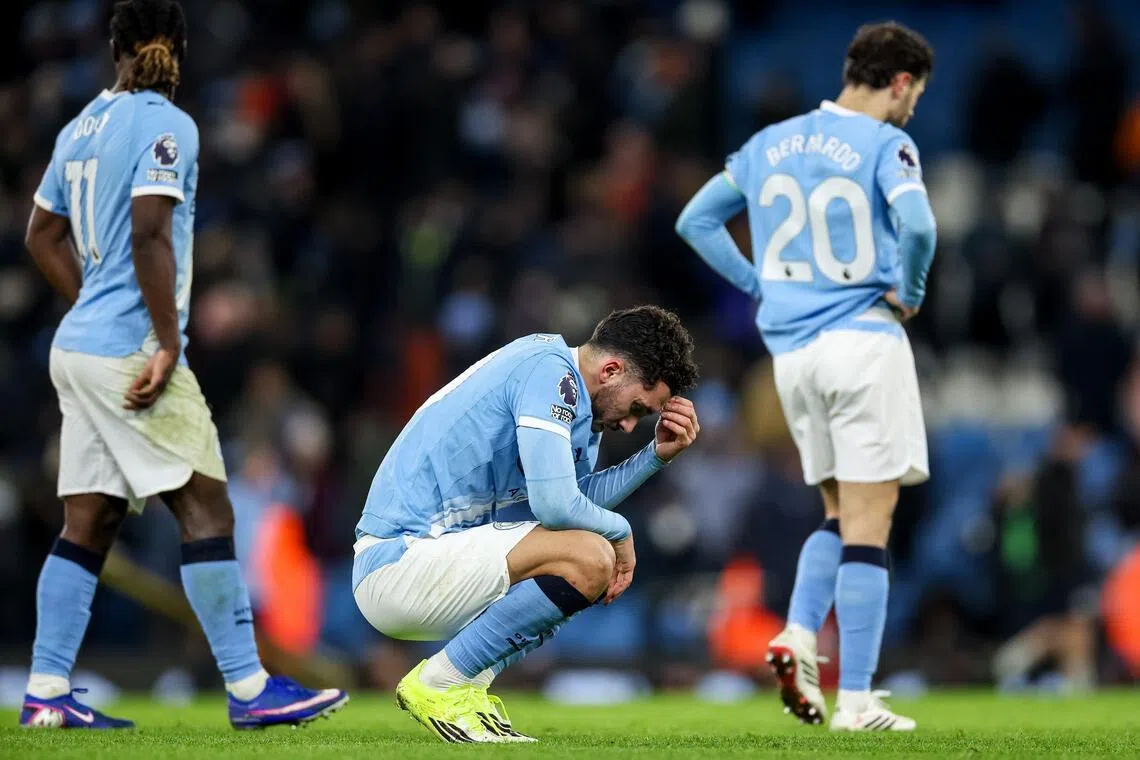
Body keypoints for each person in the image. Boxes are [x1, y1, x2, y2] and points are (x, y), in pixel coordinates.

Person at [20, 0, 347, 730]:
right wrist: (166, 339)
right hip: (131, 350)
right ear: (181, 49)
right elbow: (149, 234)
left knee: (90, 521)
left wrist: (87, 302)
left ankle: (45, 692)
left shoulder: (79, 127)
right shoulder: (170, 125)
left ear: (115, 50)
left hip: (76, 348)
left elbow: (40, 235)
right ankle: (250, 686)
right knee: (206, 507)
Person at [676, 21, 937, 731]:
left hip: (792, 356)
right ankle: (854, 699)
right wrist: (909, 290)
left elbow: (696, 221)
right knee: (870, 525)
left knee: (835, 513)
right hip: (862, 340)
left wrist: (758, 283)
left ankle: (795, 632)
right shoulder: (888, 143)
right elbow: (918, 228)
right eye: (913, 96)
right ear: (902, 82)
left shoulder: (767, 145)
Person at [352, 306, 700, 743]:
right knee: (593, 554)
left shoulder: (575, 407)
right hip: (397, 561)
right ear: (611, 370)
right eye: (636, 408)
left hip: (441, 561)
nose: (630, 424)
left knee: (586, 553)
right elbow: (558, 507)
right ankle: (438, 683)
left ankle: (464, 686)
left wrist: (653, 457)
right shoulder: (549, 374)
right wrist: (623, 532)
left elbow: (566, 509)